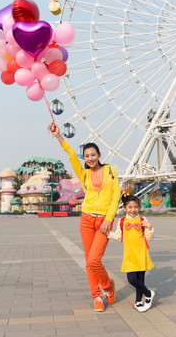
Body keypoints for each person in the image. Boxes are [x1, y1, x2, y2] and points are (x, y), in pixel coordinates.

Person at [50, 123, 121, 312]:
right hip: (87, 220)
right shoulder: (84, 174)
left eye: (93, 155)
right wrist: (59, 137)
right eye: (87, 156)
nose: (90, 158)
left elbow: (116, 196)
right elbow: (72, 156)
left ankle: (107, 286)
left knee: (93, 260)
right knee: (88, 260)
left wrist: (109, 219)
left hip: (104, 221)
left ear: (99, 155)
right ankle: (96, 296)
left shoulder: (111, 172)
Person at [108, 193, 155, 312]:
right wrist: (106, 234)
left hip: (141, 253)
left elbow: (149, 238)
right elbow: (117, 236)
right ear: (124, 208)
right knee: (132, 279)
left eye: (135, 207)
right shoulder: (122, 221)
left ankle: (138, 302)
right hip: (129, 255)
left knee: (140, 279)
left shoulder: (143, 220)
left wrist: (149, 227)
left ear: (138, 207)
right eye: (130, 207)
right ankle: (148, 294)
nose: (133, 210)